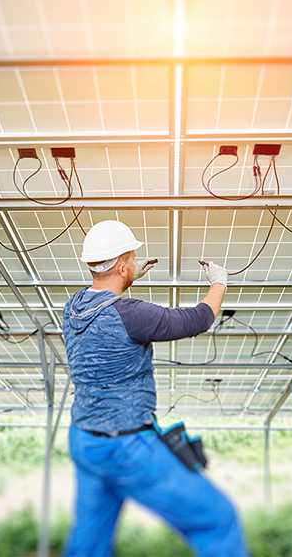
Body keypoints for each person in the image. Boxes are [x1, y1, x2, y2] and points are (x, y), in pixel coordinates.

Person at [62, 220, 249, 557]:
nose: (134, 263)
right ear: (121, 266)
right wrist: (219, 282)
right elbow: (198, 319)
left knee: (88, 543)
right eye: (131, 259)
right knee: (218, 520)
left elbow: (105, 302)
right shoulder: (132, 315)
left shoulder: (72, 307)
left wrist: (127, 277)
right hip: (126, 446)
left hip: (84, 439)